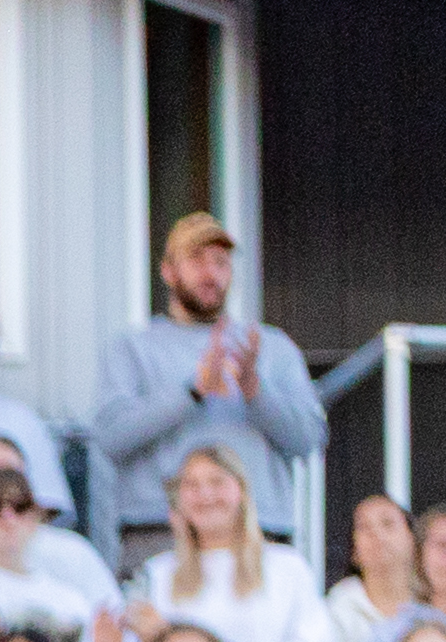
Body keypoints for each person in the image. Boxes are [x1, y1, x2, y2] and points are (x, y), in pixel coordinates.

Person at [89, 212, 321, 565]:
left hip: (257, 531)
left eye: (221, 263)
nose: (210, 274)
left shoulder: (272, 347)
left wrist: (255, 392)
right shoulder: (131, 347)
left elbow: (309, 440)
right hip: (161, 531)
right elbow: (110, 439)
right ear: (168, 271)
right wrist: (192, 393)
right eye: (196, 261)